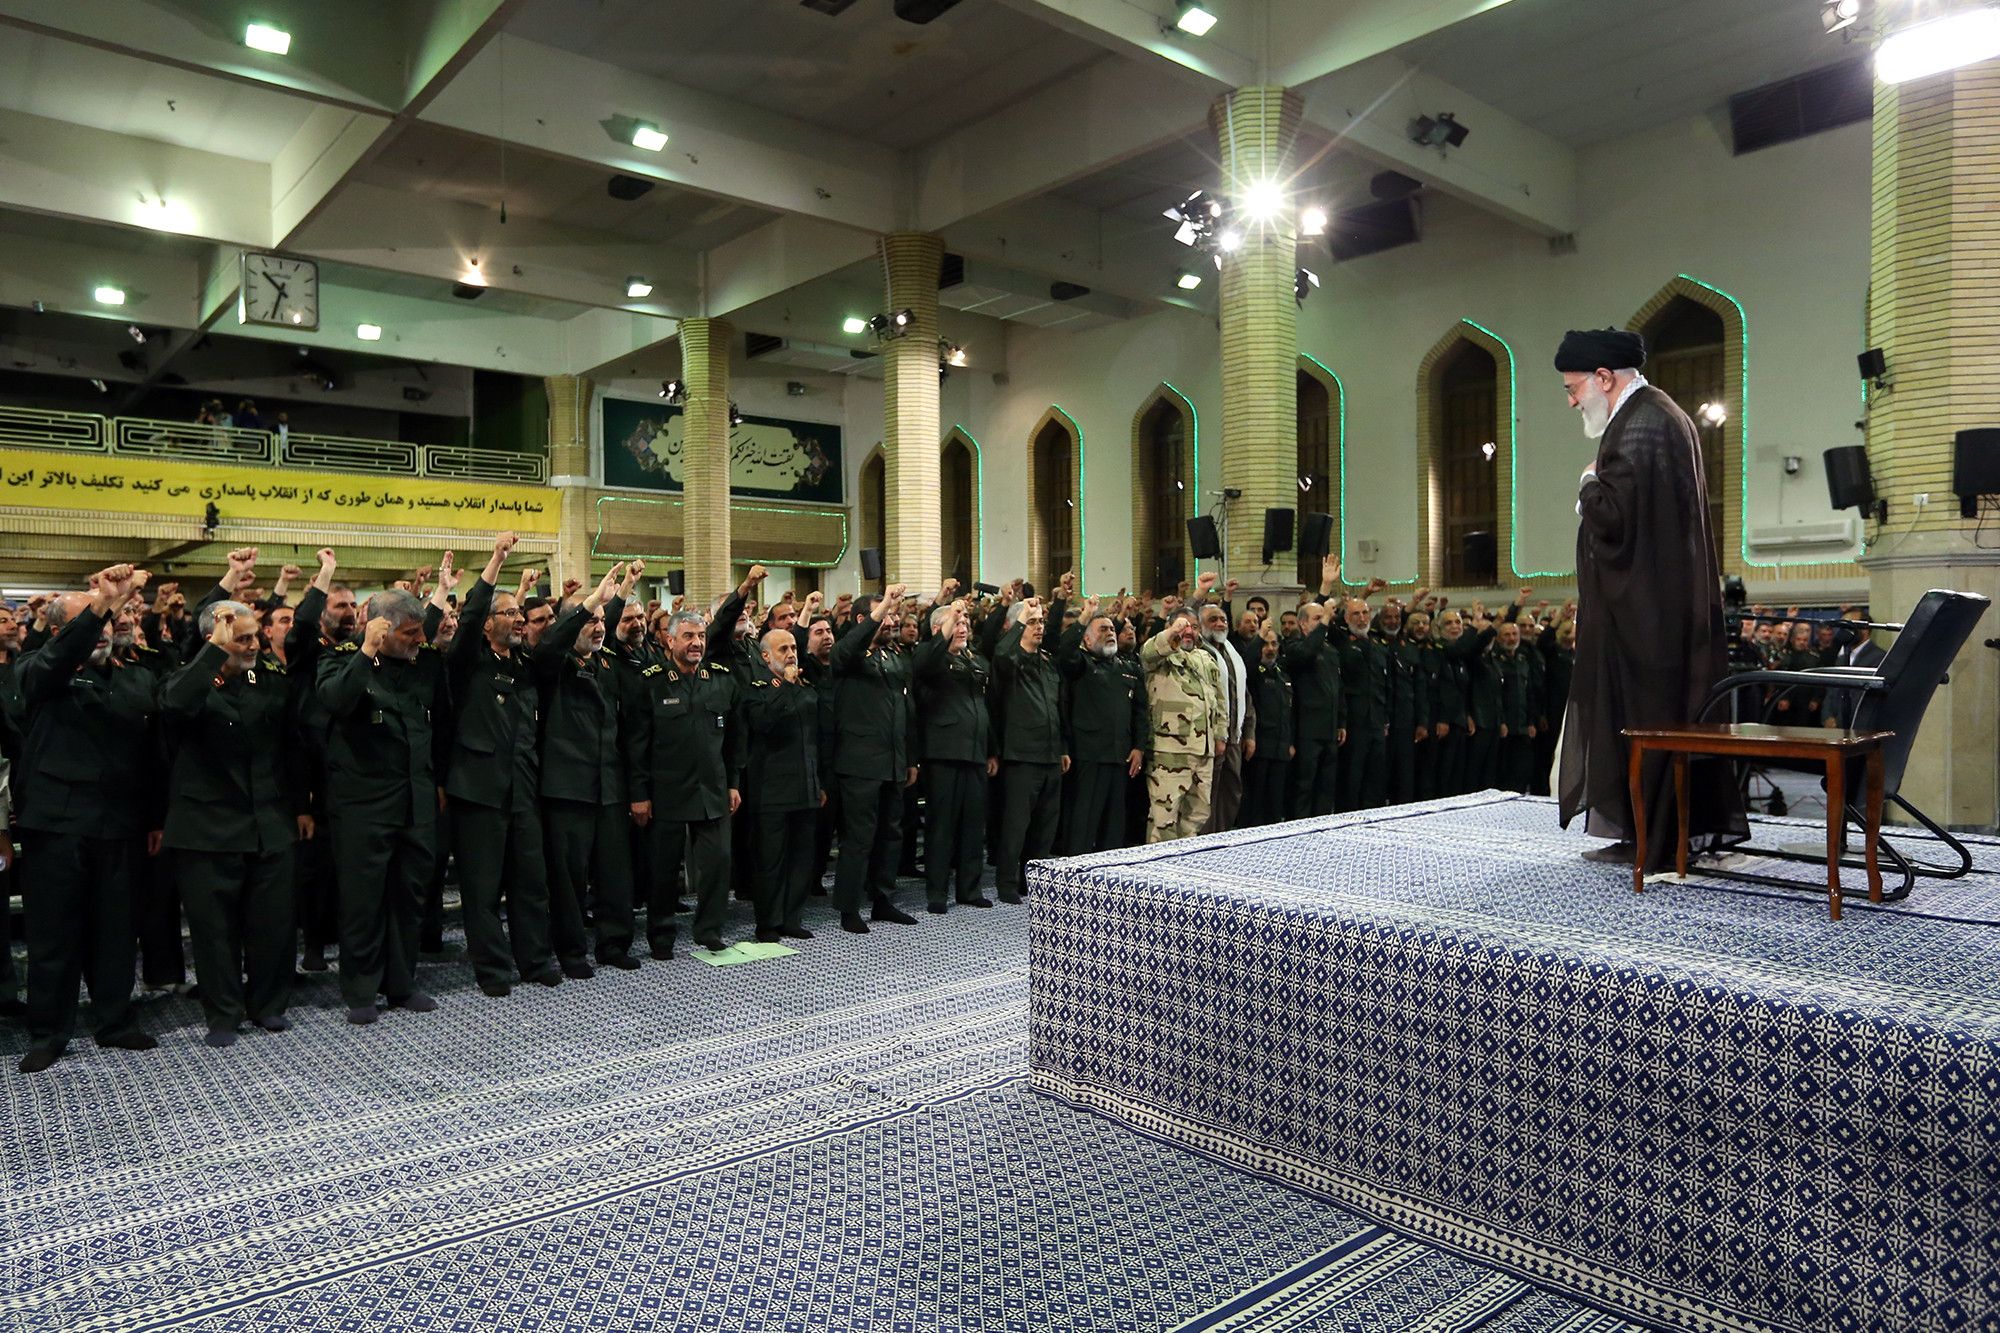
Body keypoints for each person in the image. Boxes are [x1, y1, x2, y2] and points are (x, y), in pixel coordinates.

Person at [1556, 326, 1745, 866]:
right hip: (1659, 611)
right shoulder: (1663, 415)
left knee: (1645, 718)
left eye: (1574, 389)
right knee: (1652, 721)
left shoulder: (1638, 426)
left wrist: (1588, 484)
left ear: (1604, 377)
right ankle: (1652, 832)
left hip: (1646, 619)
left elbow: (1617, 521)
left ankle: (1654, 838)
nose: (1572, 402)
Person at [13, 566, 162, 1073]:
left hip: (118, 823)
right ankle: (49, 1031)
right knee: (54, 934)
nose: (101, 632)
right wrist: (101, 602)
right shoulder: (37, 669)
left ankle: (114, 1021)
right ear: (61, 631)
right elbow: (59, 660)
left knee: (116, 930)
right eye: (90, 624)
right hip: (56, 825)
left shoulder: (129, 676)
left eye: (104, 623)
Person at [158, 600, 303, 1046]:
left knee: (273, 924)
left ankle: (268, 1005)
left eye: (255, 636)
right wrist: (214, 655)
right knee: (214, 931)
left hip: (267, 824)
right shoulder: (189, 680)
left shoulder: (269, 680)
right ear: (214, 641)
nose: (253, 645)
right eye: (241, 639)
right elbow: (175, 705)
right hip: (208, 829)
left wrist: (299, 807)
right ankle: (223, 1013)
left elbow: (292, 747)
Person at [317, 587, 445, 1025]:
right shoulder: (341, 659)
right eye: (409, 633)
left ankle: (402, 985)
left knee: (408, 901)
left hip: (414, 806)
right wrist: (366, 650)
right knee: (363, 903)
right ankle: (361, 991)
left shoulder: (421, 666)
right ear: (382, 629)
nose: (418, 640)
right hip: (364, 809)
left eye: (420, 632)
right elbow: (335, 700)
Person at [533, 562, 643, 973]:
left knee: (615, 874)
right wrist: (591, 602)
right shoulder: (552, 666)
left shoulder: (605, 664)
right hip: (567, 789)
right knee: (569, 879)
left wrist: (621, 591)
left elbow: (602, 628)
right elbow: (551, 645)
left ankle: (613, 944)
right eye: (590, 621)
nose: (599, 627)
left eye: (602, 621)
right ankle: (572, 950)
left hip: (608, 787)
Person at [624, 598, 744, 955]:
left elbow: (736, 737)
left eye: (701, 636)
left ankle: (709, 929)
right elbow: (636, 746)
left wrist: (734, 781)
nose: (696, 643)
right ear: (670, 641)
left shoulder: (720, 680)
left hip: (713, 790)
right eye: (688, 636)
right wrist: (639, 793)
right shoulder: (650, 682)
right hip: (667, 792)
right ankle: (661, 936)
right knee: (663, 870)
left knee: (719, 862)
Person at [828, 584, 917, 933]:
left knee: (890, 835)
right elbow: (848, 648)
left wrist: (910, 759)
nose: (892, 620)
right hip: (860, 763)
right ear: (864, 619)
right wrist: (879, 612)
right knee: (859, 838)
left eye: (893, 615)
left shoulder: (891, 656)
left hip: (892, 761)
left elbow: (903, 712)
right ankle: (849, 908)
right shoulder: (848, 654)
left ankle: (882, 899)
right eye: (884, 616)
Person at [911, 598, 994, 911]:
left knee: (973, 825)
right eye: (956, 623)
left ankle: (969, 889)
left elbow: (985, 709)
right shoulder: (927, 655)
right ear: (938, 629)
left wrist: (991, 751)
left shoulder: (974, 661)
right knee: (941, 826)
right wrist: (948, 623)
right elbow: (926, 664)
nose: (963, 628)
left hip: (974, 753)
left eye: (965, 624)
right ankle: (936, 893)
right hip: (943, 753)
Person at [745, 627, 823, 941]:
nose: (791, 653)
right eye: (783, 649)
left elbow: (817, 738)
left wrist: (820, 782)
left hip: (806, 785)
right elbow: (763, 723)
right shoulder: (758, 688)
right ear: (765, 656)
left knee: (802, 858)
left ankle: (792, 917)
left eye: (793, 647)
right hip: (772, 788)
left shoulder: (805, 687)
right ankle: (768, 922)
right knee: (770, 861)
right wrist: (784, 686)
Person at [991, 596, 1066, 903]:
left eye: (1040, 622)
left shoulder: (1046, 661)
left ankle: (1033, 881)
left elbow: (1056, 708)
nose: (1039, 628)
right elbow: (1001, 653)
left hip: (1050, 753)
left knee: (1045, 826)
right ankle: (1007, 883)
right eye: (1032, 623)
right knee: (1016, 825)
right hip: (1022, 754)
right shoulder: (1012, 660)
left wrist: (1063, 747)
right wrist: (1022, 614)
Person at [1055, 601, 1146, 854]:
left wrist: (1139, 746)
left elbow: (1140, 712)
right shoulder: (1079, 664)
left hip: (1121, 757)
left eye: (1111, 629)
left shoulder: (1129, 670)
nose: (1110, 633)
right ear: (1086, 639)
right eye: (1102, 629)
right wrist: (1084, 617)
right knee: (1083, 822)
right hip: (1088, 757)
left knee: (1114, 825)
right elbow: (1065, 651)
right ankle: (1075, 875)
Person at [1140, 608, 1225, 842]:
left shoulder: (1206, 658)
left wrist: (1220, 735)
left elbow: (1219, 699)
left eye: (1193, 627)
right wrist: (1172, 633)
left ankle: (1184, 865)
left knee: (1196, 817)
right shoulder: (1162, 654)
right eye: (1182, 625)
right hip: (1170, 751)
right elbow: (1148, 653)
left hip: (1203, 751)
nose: (1188, 631)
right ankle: (1158, 871)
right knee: (1163, 818)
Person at [1195, 591, 1254, 833]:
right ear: (1199, 626)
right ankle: (1205, 843)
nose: (1220, 624)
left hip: (1233, 738)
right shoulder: (1198, 651)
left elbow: (1244, 696)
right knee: (1207, 796)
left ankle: (1221, 838)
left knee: (1231, 792)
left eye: (1223, 620)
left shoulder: (1232, 652)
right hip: (1209, 740)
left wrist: (1249, 732)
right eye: (1213, 620)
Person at [1242, 627, 1293, 826]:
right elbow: (1248, 663)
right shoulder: (1254, 673)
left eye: (1274, 644)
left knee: (1275, 801)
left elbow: (1291, 712)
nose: (1269, 649)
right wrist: (1258, 638)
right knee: (1255, 800)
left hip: (1280, 747)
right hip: (1259, 747)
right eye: (1265, 644)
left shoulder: (1283, 674)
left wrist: (1290, 741)